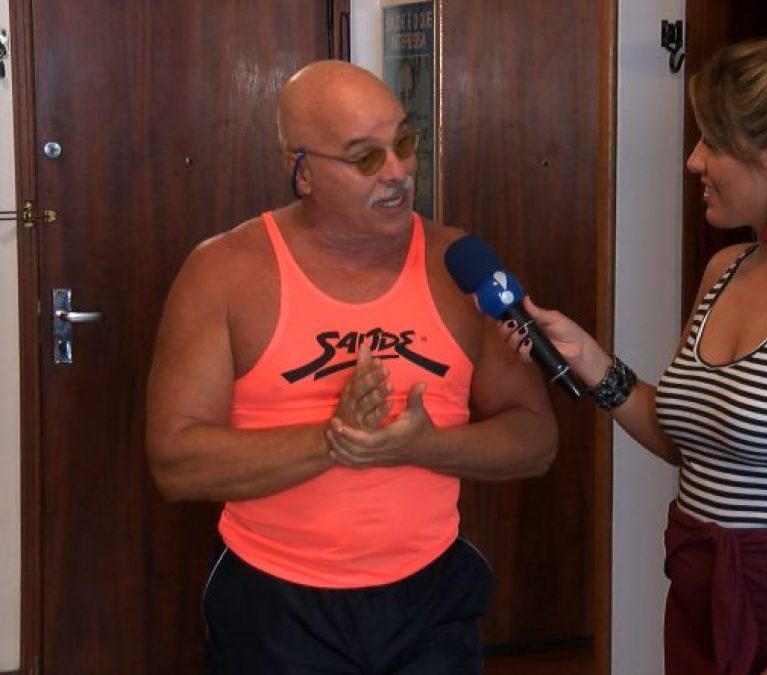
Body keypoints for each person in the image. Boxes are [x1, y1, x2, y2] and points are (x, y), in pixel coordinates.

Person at [503, 16, 767, 675]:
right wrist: (590, 361)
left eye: (715, 143)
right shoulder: (723, 270)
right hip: (701, 602)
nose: (694, 160)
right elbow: (698, 445)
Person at [145, 60, 558, 674]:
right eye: (365, 157)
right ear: (303, 172)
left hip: (431, 599)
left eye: (404, 143)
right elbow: (175, 463)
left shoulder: (458, 264)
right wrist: (334, 442)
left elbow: (535, 439)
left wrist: (423, 445)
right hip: (276, 604)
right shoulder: (224, 272)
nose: (397, 172)